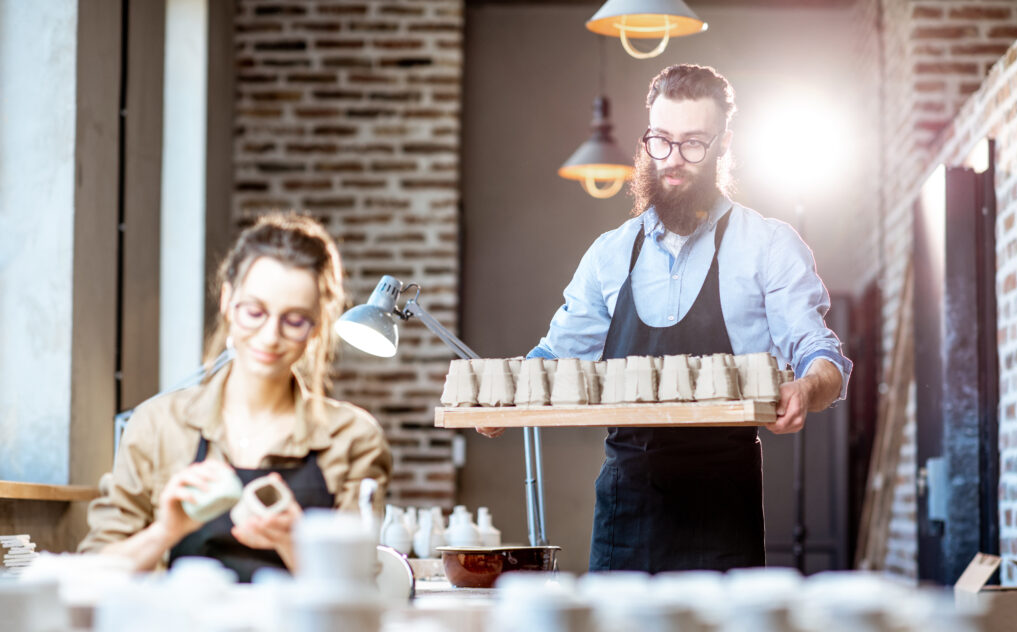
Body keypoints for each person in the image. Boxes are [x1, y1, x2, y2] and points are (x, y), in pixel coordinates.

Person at [483, 64, 851, 573]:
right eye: (660, 141)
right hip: (625, 508)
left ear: (724, 145)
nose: (673, 161)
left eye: (694, 144)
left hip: (722, 510)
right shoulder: (609, 254)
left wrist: (806, 390)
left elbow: (821, 355)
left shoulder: (767, 246)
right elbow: (556, 355)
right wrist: (503, 393)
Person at [79, 213, 392, 582]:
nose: (269, 336)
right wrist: (165, 531)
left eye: (294, 320)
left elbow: (358, 591)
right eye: (254, 312)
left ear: (318, 323)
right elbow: (93, 572)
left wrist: (294, 543)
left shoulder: (354, 438)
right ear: (227, 301)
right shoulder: (157, 425)